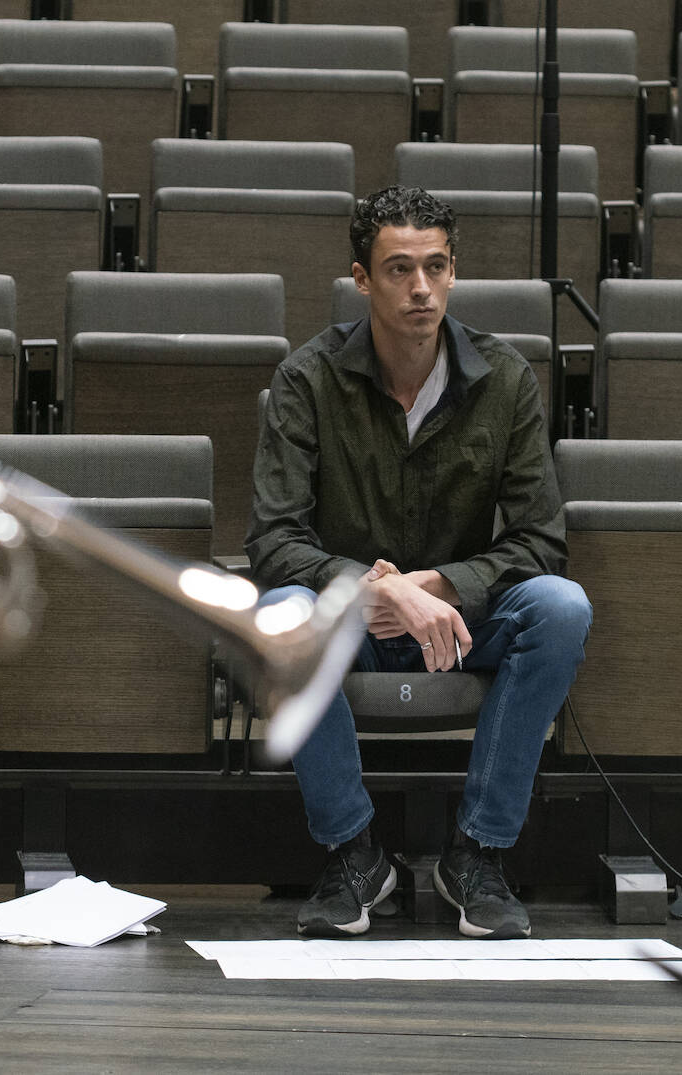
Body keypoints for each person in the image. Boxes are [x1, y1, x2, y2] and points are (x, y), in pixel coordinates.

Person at [248, 186, 591, 940]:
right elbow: (273, 540)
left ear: (454, 273)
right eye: (399, 269)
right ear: (362, 279)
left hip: (462, 618)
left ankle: (477, 854)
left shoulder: (504, 380)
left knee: (562, 606)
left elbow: (541, 539)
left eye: (436, 267)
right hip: (352, 619)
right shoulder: (309, 380)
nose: (421, 287)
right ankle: (354, 854)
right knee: (279, 611)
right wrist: (376, 591)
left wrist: (434, 586)